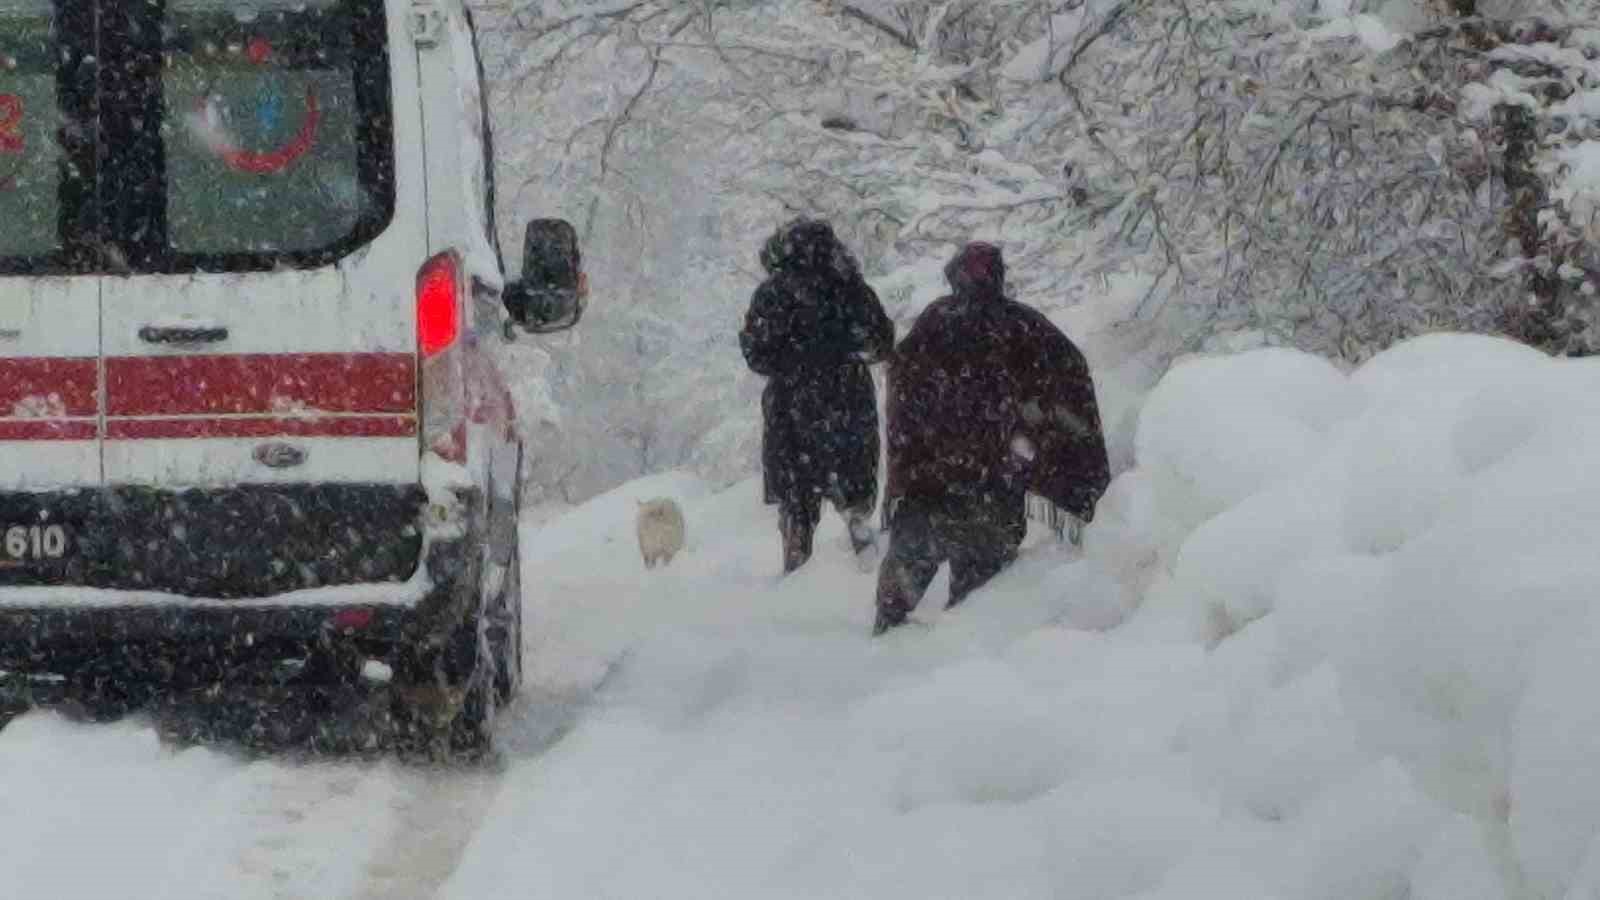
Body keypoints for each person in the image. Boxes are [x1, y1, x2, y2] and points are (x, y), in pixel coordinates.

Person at [874, 242, 1109, 635]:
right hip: (994, 480)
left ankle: (885, 645)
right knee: (980, 598)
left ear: (953, 278)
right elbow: (1069, 383)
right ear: (999, 277)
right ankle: (961, 657)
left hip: (931, 479)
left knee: (906, 573)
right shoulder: (1024, 326)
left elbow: (901, 394)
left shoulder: (933, 323)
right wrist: (1044, 446)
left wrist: (911, 461)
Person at [739, 218, 895, 574]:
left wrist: (791, 360)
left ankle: (796, 567)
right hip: (848, 400)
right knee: (853, 489)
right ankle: (865, 562)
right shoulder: (851, 288)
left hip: (791, 405)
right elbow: (881, 340)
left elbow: (755, 353)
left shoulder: (773, 293)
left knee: (797, 499)